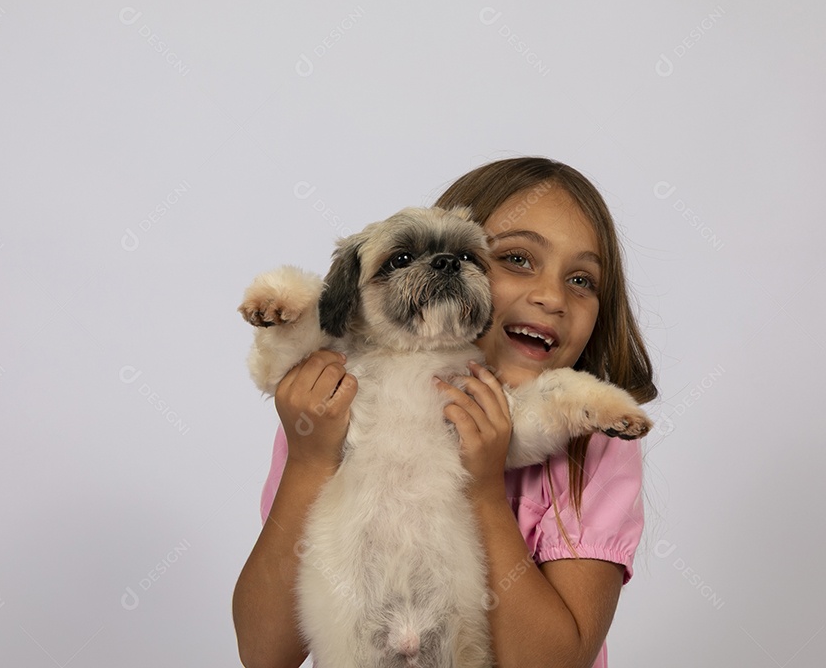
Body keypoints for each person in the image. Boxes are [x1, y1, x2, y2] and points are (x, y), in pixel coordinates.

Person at [232, 156, 657, 668]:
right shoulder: (324, 411)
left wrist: (483, 488)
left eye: (583, 280)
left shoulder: (593, 446)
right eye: (517, 259)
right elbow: (263, 654)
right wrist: (308, 461)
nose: (550, 297)